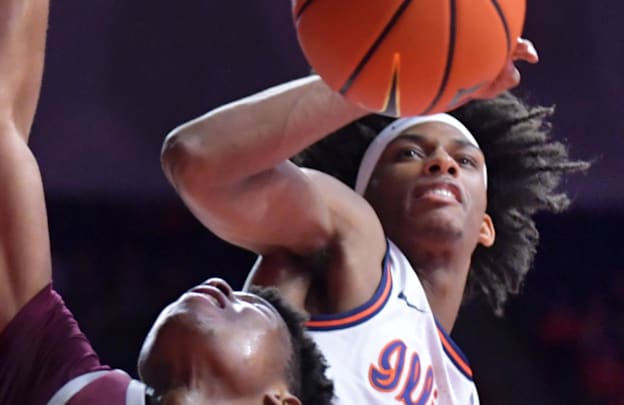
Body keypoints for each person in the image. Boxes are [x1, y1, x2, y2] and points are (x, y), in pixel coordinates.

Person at [0, 1, 333, 404]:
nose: (220, 285)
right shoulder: (61, 382)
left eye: (249, 305)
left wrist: (371, 83)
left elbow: (342, 234)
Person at [161, 37, 590, 403]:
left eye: (464, 159)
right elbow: (196, 158)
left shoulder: (462, 390)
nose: (443, 163)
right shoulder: (354, 237)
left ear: (485, 225)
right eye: (410, 153)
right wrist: (386, 87)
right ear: (362, 195)